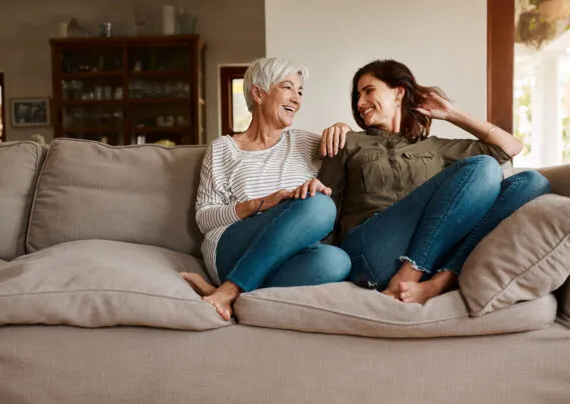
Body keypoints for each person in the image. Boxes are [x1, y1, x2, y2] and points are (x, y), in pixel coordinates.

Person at [317, 59, 550, 305]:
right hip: (373, 252)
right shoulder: (346, 141)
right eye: (357, 96)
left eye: (368, 91)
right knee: (483, 166)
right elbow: (325, 209)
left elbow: (511, 147)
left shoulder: (434, 147)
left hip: (431, 248)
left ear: (398, 92)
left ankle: (440, 281)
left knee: (532, 182)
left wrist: (452, 114)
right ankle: (411, 273)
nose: (359, 103)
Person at [180, 57, 351, 321]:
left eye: (300, 91)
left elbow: (353, 149)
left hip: (285, 254)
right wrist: (262, 203)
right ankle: (230, 287)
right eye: (287, 88)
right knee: (320, 205)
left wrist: (344, 129)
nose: (296, 99)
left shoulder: (308, 144)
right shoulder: (224, 149)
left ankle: (234, 294)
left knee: (336, 261)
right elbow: (204, 219)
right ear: (258, 93)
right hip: (231, 248)